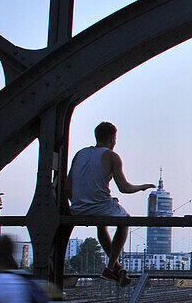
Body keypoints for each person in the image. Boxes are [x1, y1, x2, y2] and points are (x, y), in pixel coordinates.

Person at [66, 121, 154, 285]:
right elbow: (124, 188)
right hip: (100, 206)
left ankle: (116, 267)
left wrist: (81, 203)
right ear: (112, 138)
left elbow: (67, 186)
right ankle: (111, 265)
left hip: (78, 208)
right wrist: (142, 187)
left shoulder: (79, 154)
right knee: (124, 220)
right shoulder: (112, 156)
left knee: (102, 224)